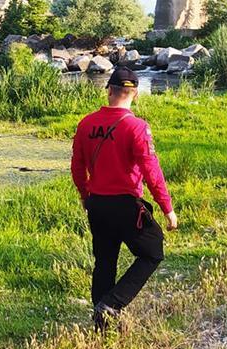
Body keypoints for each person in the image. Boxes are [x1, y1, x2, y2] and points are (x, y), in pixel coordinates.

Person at [70, 67, 178, 332]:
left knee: (105, 260)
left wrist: (85, 196)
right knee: (153, 252)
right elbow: (152, 172)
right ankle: (112, 304)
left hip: (97, 203)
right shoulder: (137, 127)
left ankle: (101, 325)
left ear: (109, 90)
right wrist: (168, 209)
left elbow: (77, 166)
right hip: (126, 205)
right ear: (135, 94)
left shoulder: (86, 123)